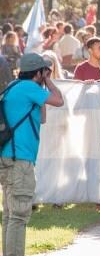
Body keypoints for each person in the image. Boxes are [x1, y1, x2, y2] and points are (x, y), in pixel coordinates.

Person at [0, 53, 64, 256]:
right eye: (45, 71)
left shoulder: (13, 87)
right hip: (21, 159)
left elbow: (42, 118)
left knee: (11, 215)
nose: (47, 74)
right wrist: (48, 82)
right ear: (38, 73)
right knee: (18, 217)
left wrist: (41, 85)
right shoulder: (29, 88)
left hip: (8, 156)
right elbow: (59, 100)